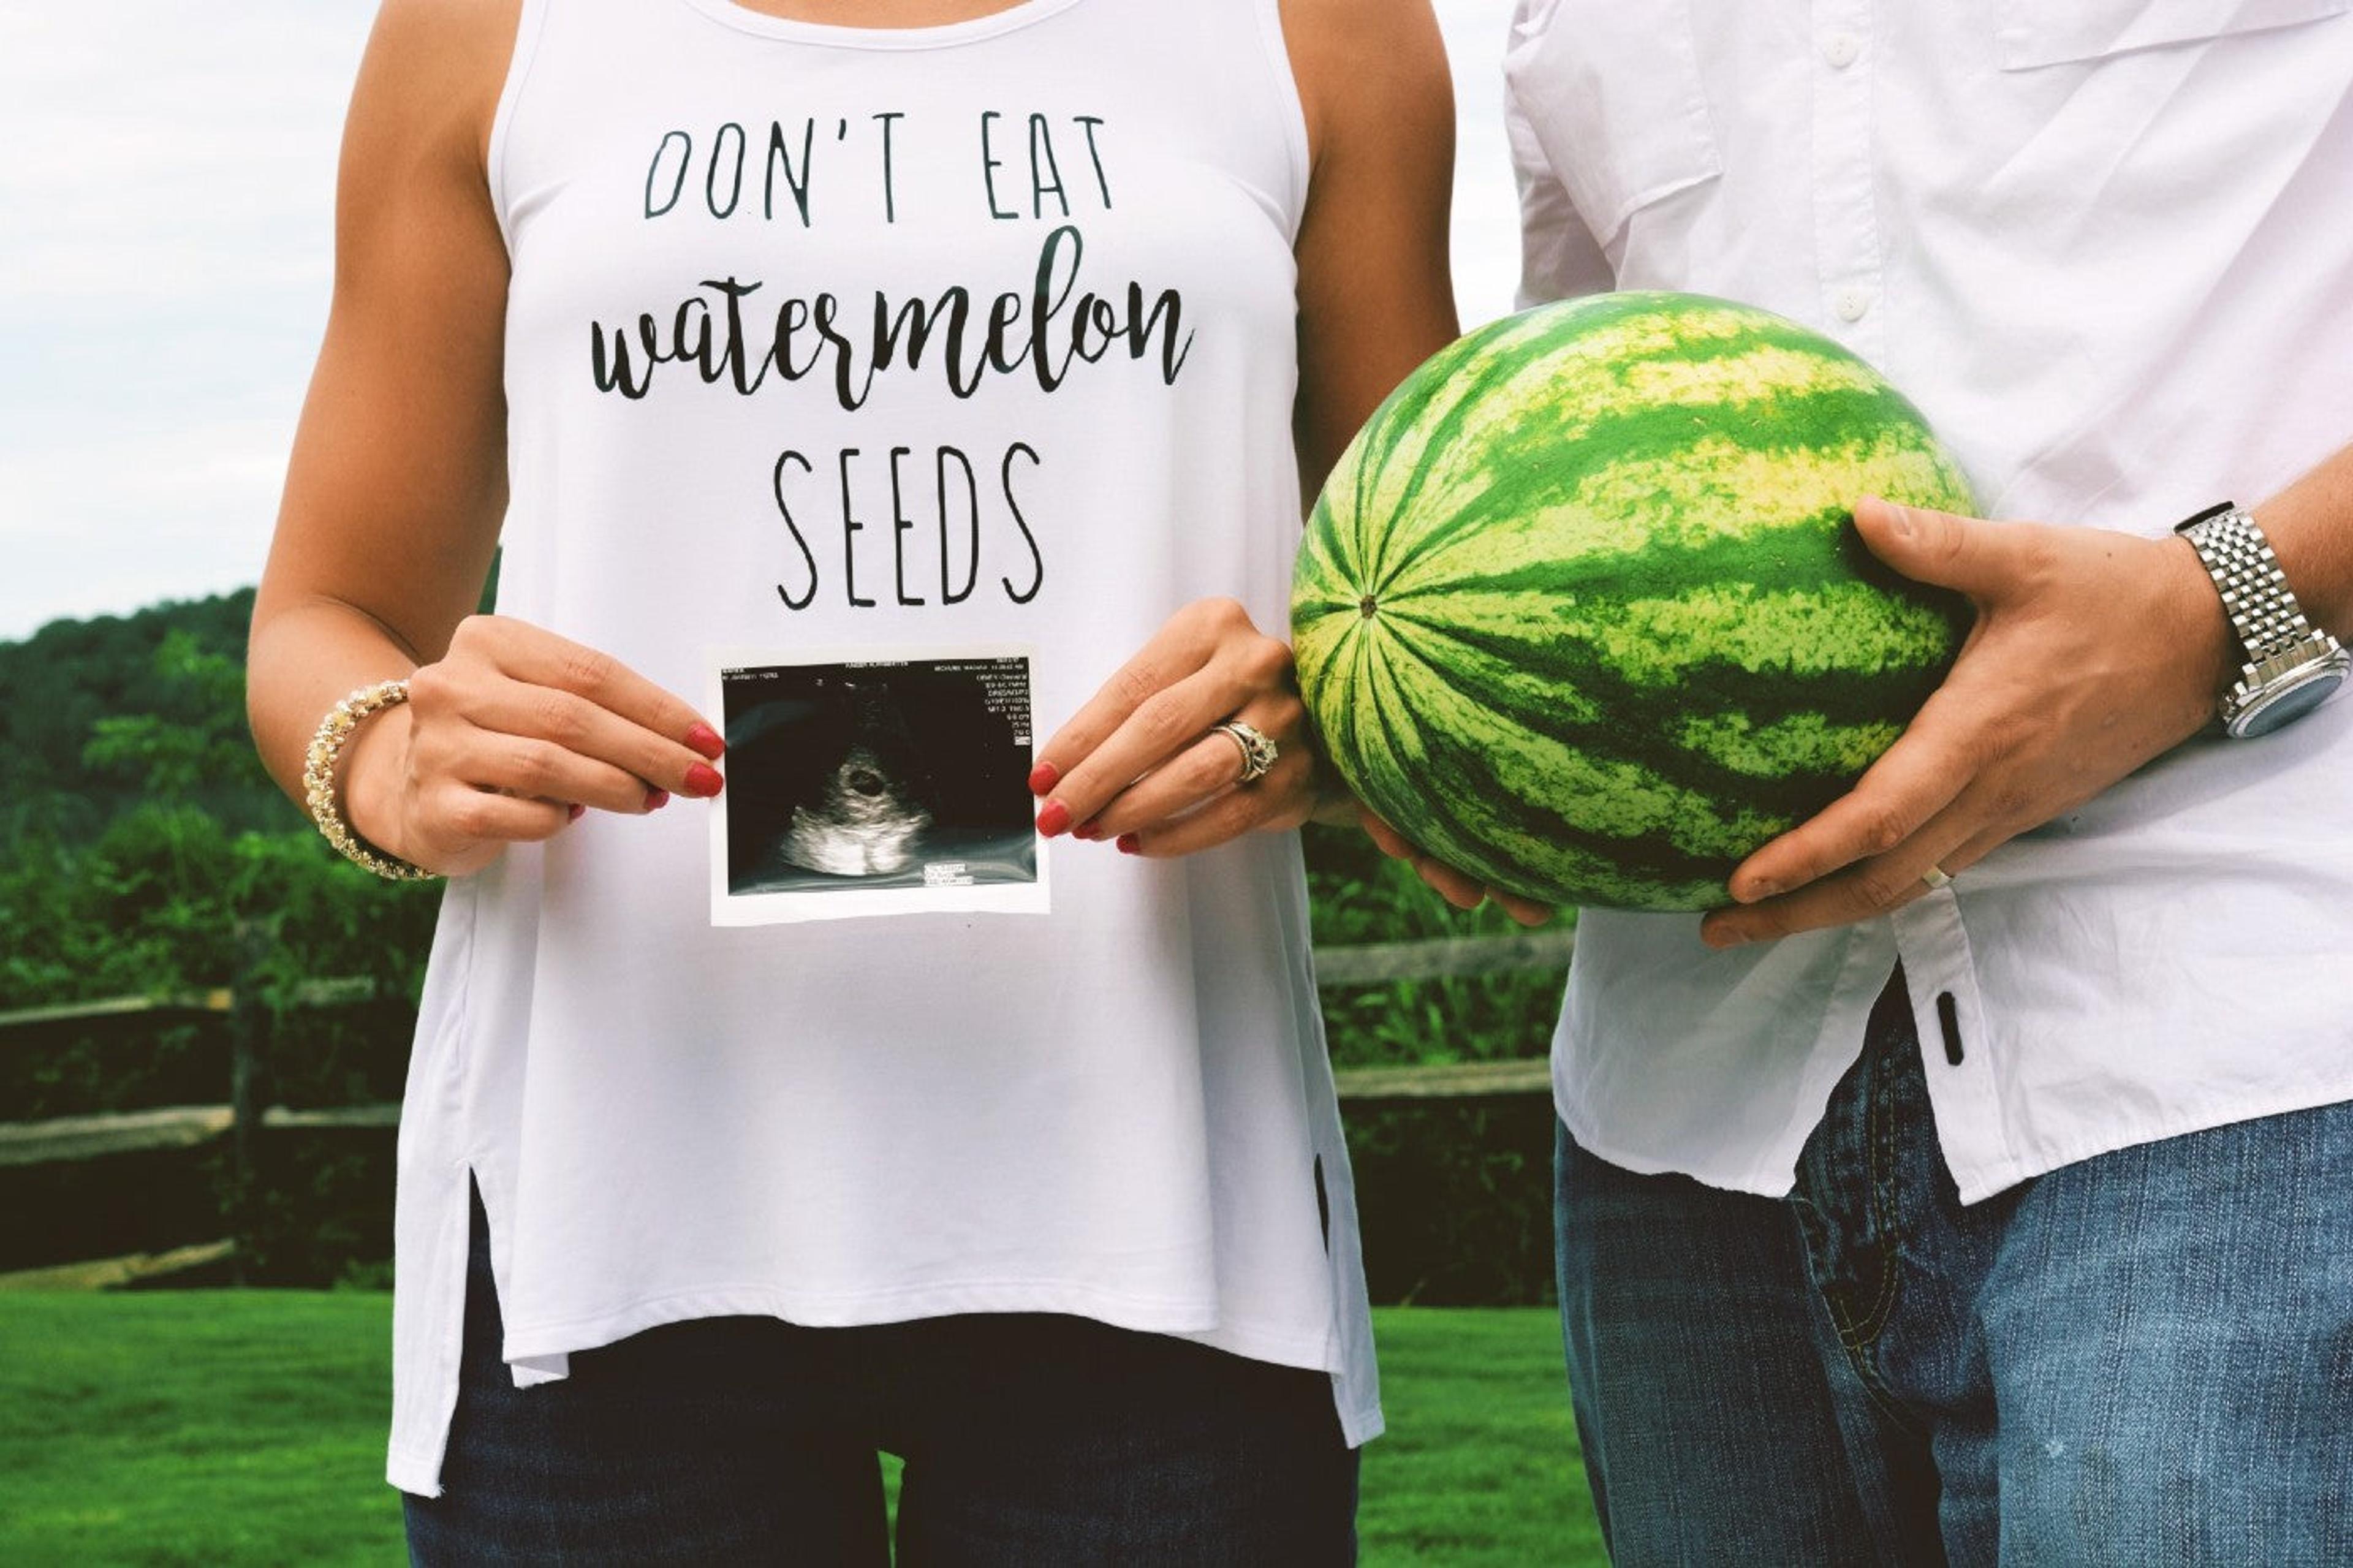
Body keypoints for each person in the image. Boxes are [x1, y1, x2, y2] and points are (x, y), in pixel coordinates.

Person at [244, 0, 1458, 1559]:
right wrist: (390, 752)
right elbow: (320, 615)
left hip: (1163, 1204)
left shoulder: (1322, 29)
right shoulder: (487, 28)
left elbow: (1444, 632)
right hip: (602, 1215)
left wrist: (1330, 724)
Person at [1374, 5, 2353, 1562]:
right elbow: (1568, 444)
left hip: (2242, 1040)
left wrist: (2209, 607)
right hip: (1692, 1120)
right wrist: (1406, 697)